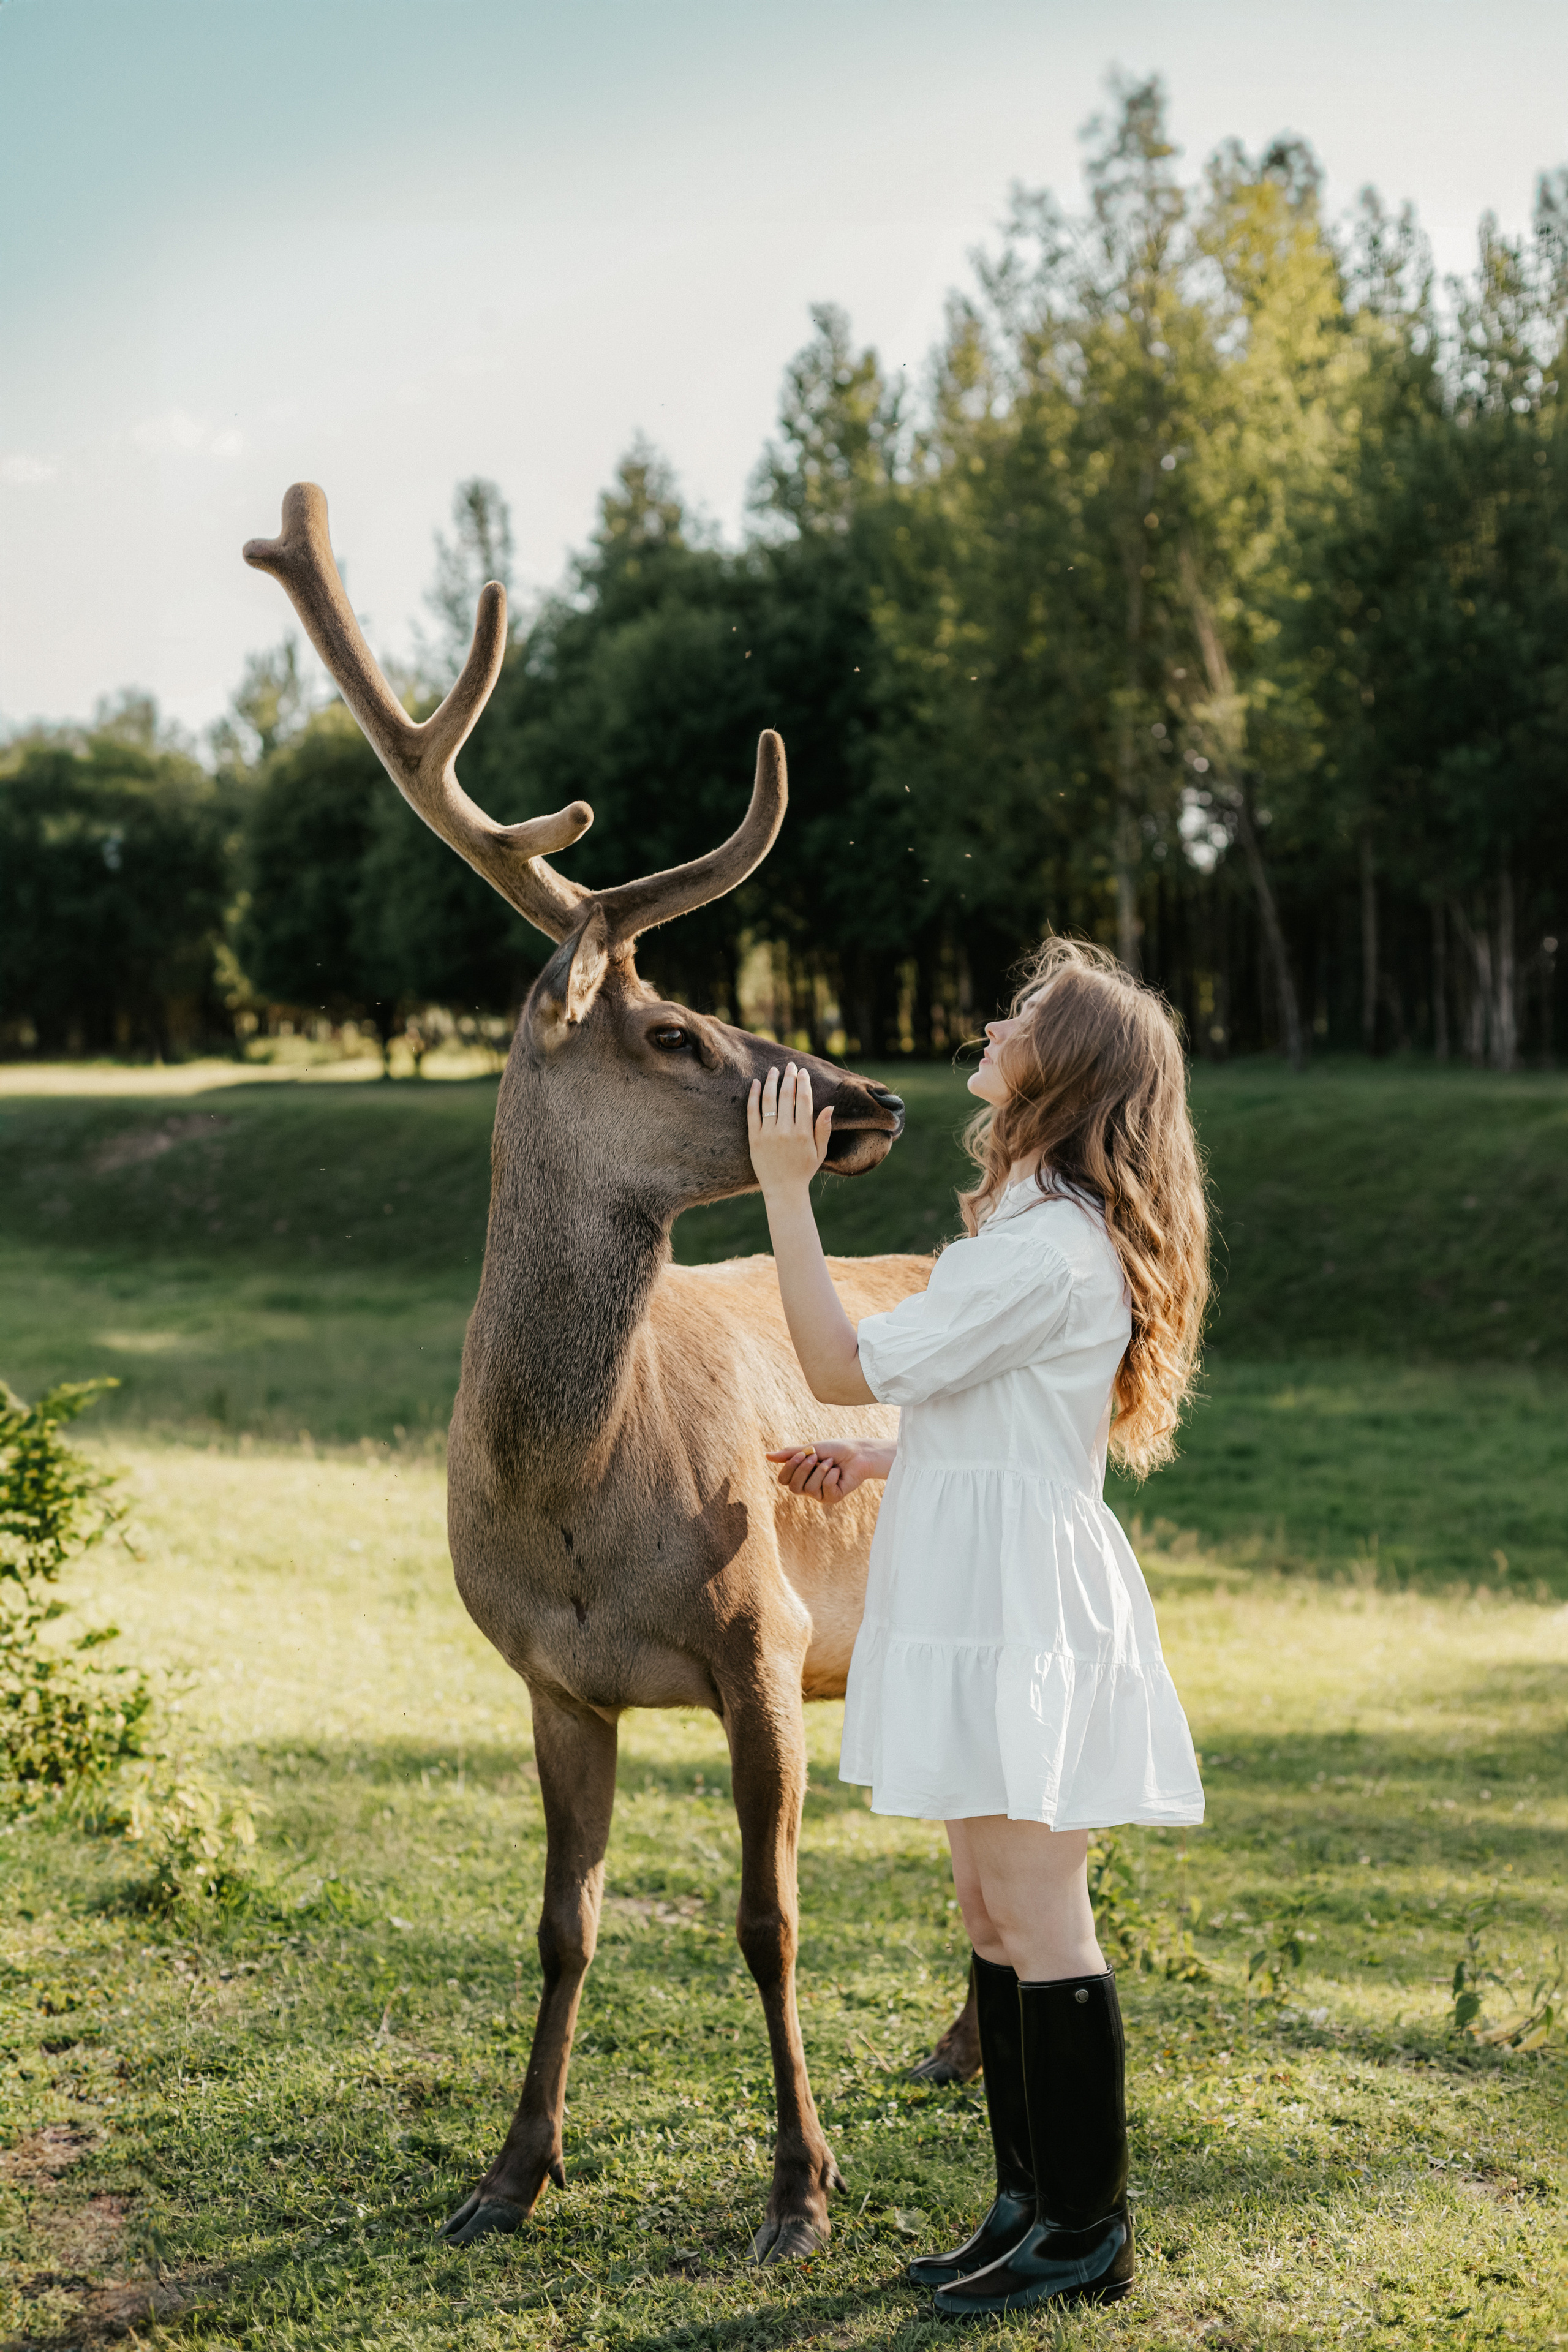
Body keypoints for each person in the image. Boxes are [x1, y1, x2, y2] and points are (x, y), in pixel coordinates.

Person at [746, 935, 1209, 2318]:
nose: (996, 1021)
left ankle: (1087, 2232)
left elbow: (834, 1364)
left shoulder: (1054, 1245)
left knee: (1039, 1910)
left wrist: (785, 1193)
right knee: (986, 1906)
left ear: (1061, 1069)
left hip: (1015, 1603)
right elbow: (1011, 1415)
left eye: (1024, 1014)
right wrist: (888, 1460)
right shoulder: (1029, 1227)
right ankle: (1023, 2206)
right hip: (973, 1575)